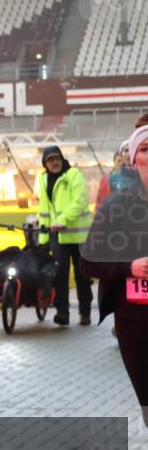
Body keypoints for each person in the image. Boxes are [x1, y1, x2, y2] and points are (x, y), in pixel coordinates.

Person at [80, 124, 148, 424]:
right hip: (134, 321)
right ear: (134, 160)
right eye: (145, 149)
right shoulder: (116, 206)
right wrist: (129, 267)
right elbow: (87, 262)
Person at [36, 145, 93, 326]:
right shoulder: (43, 179)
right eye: (50, 159)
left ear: (62, 159)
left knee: (82, 276)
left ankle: (85, 312)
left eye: (57, 158)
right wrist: (43, 239)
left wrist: (62, 220)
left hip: (79, 237)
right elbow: (44, 210)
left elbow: (80, 201)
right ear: (45, 164)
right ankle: (63, 313)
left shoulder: (74, 175)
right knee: (59, 274)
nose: (54, 162)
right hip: (58, 237)